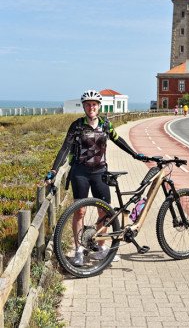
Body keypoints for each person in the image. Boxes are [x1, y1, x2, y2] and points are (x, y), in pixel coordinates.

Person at [46, 89, 147, 266]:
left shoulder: (105, 124)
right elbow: (64, 149)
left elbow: (118, 140)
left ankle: (101, 247)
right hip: (80, 172)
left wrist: (135, 154)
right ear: (84, 107)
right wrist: (54, 171)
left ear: (99, 106)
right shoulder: (77, 126)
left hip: (100, 172)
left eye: (94, 104)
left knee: (105, 211)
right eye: (88, 104)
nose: (91, 107)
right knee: (80, 211)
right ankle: (79, 250)